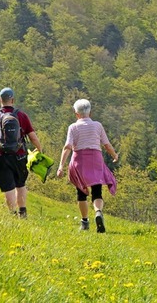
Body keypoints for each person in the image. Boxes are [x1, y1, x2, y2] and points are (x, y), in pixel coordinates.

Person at [57, 98, 118, 233]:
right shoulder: (97, 125)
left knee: (81, 192)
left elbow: (67, 147)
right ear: (90, 112)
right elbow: (106, 144)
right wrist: (114, 155)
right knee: (97, 190)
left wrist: (61, 166)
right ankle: (98, 212)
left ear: (76, 113)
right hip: (96, 159)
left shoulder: (73, 127)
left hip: (80, 160)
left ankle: (85, 222)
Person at [0, 87, 42, 218]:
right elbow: (32, 136)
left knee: (8, 187)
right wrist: (39, 149)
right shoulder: (21, 116)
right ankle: (23, 212)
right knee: (20, 184)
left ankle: (12, 214)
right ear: (12, 100)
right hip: (20, 156)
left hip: (1, 157)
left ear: (0, 100)